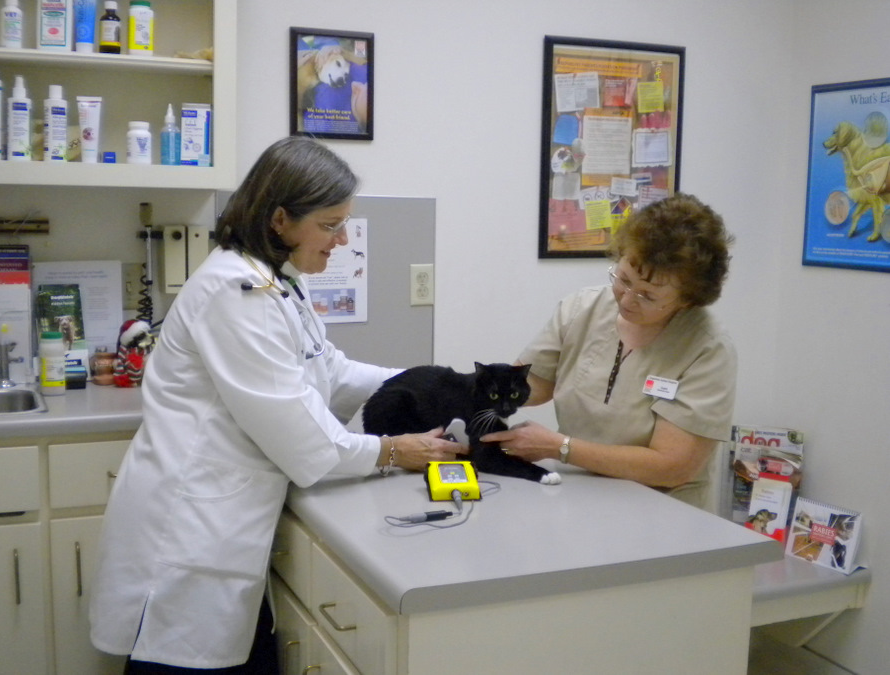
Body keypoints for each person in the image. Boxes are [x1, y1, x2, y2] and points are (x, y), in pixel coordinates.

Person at [89, 137, 462, 673]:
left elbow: (326, 369)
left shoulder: (277, 280)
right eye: (331, 225)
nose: (343, 240)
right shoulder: (235, 295)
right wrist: (393, 451)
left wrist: (433, 384)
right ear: (281, 219)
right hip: (187, 543)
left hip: (225, 533)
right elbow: (305, 439)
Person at [483, 193, 736, 510]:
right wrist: (454, 394)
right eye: (623, 279)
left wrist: (559, 447)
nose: (627, 299)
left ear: (688, 299)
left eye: (648, 295)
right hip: (576, 497)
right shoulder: (581, 309)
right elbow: (526, 388)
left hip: (662, 513)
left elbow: (672, 467)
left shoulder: (706, 349)